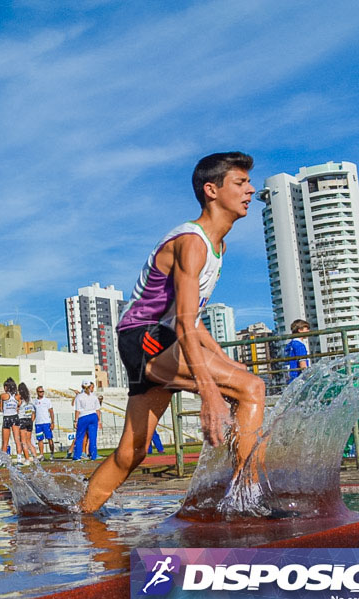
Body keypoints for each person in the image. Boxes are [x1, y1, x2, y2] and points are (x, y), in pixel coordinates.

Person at [81, 152, 269, 515]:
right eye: (240, 183)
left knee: (131, 452)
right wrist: (211, 393)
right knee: (251, 389)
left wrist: (229, 365)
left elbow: (192, 320)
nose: (251, 189)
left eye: (249, 182)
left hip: (163, 338)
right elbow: (183, 324)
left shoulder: (218, 246)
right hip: (145, 337)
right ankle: (248, 500)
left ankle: (80, 514)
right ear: (211, 190)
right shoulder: (193, 242)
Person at [72, 380, 101, 461]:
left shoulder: (79, 396)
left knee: (79, 437)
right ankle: (93, 455)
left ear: (82, 387)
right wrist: (99, 421)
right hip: (93, 416)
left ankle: (77, 456)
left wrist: (75, 421)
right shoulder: (94, 396)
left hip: (83, 416)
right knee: (93, 437)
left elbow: (77, 410)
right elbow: (98, 410)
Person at [285, 319, 312, 383]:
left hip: (291, 377)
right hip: (299, 378)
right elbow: (302, 364)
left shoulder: (290, 344)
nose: (309, 331)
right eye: (307, 329)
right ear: (300, 330)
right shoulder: (300, 345)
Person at [33, 386, 56, 459]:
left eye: (42, 391)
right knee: (40, 439)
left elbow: (51, 412)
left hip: (46, 422)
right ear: (37, 392)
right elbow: (33, 413)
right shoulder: (34, 401)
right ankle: (41, 454)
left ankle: (52, 453)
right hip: (38, 423)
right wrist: (31, 422)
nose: (42, 393)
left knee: (49, 438)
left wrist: (52, 422)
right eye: (40, 392)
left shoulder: (47, 401)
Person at [0, 377, 20, 457]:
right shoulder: (17, 396)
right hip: (15, 417)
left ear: (7, 387)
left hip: (7, 417)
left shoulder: (3, 396)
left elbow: (0, 409)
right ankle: (19, 459)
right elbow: (19, 406)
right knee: (17, 440)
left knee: (5, 442)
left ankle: (1, 460)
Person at [16, 382, 36, 463]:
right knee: (29, 441)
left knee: (23, 441)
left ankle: (27, 459)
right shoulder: (30, 398)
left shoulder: (20, 398)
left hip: (22, 419)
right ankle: (35, 458)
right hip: (29, 420)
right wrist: (31, 420)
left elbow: (17, 409)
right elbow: (34, 412)